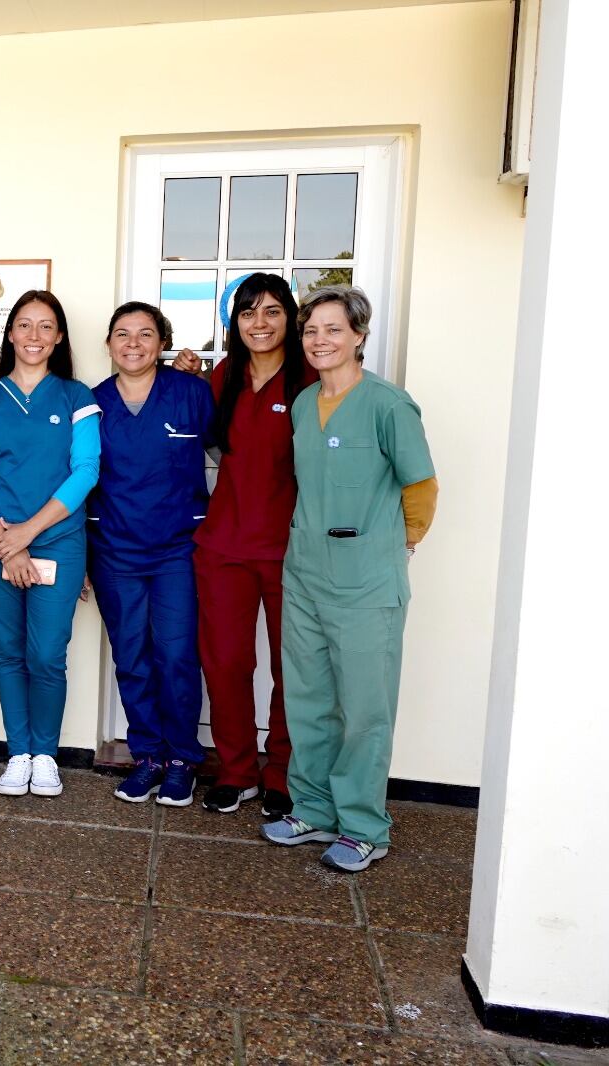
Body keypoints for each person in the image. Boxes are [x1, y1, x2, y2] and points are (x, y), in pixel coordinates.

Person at [260, 286, 436, 873]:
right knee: (308, 698)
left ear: (359, 336)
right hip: (306, 570)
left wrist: (400, 545)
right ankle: (312, 808)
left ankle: (364, 826)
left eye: (333, 330)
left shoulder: (388, 404)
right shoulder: (305, 404)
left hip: (366, 579)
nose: (319, 341)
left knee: (364, 707)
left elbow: (421, 487)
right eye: (311, 331)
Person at [175, 274, 315, 818]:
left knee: (291, 667)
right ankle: (237, 770)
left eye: (272, 311)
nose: (260, 323)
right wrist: (185, 376)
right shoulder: (223, 378)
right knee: (227, 662)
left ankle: (280, 773)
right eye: (248, 312)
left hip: (291, 550)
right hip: (223, 546)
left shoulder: (309, 379)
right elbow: (192, 425)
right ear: (234, 322)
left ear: (291, 319)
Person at [0, 290, 100, 798]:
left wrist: (27, 534)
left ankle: (46, 755)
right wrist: (6, 541)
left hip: (58, 542)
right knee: (10, 652)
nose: (34, 336)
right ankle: (18, 753)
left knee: (46, 654)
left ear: (59, 336)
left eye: (46, 326)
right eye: (25, 325)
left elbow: (86, 472)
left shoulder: (76, 396)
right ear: (11, 334)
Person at [88, 302, 214, 807]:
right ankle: (148, 757)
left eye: (145, 334)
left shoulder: (191, 393)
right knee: (132, 657)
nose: (133, 343)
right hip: (115, 549)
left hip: (177, 549)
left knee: (177, 655)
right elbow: (80, 480)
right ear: (109, 344)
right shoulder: (92, 403)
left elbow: (233, 453)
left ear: (162, 343)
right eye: (122, 334)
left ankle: (182, 758)